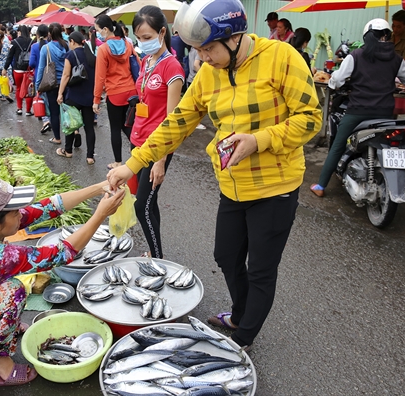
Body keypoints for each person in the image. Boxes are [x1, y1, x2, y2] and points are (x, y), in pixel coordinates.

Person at [107, 0, 322, 350]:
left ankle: (242, 338)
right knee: (226, 255)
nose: (202, 58)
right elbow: (177, 122)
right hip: (232, 184)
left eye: (208, 49)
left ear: (234, 38)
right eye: (197, 50)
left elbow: (311, 118)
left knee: (261, 269)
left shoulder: (282, 57)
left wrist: (259, 140)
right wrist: (133, 164)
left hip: (276, 186)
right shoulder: (210, 72)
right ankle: (240, 312)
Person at [0, 177, 125, 387]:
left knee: (9, 283)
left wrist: (98, 186)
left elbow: (48, 207)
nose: (21, 214)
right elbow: (61, 253)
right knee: (14, 290)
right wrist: (100, 214)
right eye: (14, 212)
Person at [310, 18, 405, 197]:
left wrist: (337, 81)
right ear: (387, 36)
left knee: (337, 145)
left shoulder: (356, 56)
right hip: (385, 113)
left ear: (366, 37)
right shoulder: (395, 58)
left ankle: (321, 186)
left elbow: (336, 81)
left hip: (357, 112)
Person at [129, 6, 184, 258]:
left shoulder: (172, 68)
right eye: (139, 38)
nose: (143, 43)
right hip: (138, 142)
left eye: (148, 37)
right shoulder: (145, 60)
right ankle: (155, 251)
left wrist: (161, 160)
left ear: (162, 32)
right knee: (150, 203)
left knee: (142, 206)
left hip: (157, 147)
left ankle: (158, 258)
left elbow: (173, 120)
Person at [93, 15, 140, 170]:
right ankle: (139, 149)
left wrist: (96, 99)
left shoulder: (103, 49)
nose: (97, 33)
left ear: (105, 29)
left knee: (115, 127)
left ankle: (118, 162)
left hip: (114, 93)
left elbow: (99, 77)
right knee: (128, 124)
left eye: (98, 30)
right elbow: (138, 64)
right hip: (131, 91)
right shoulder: (127, 43)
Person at [57, 31, 96, 163]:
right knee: (89, 127)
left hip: (73, 96)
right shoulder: (91, 55)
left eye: (69, 42)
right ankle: (90, 156)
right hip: (89, 97)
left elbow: (66, 75)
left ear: (73, 41)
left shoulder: (70, 54)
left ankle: (68, 151)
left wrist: (60, 93)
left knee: (70, 123)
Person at [35, 23, 68, 145]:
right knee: (68, 110)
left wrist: (38, 85)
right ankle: (73, 133)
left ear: (49, 34)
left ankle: (57, 138)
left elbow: (41, 68)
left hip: (52, 84)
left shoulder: (46, 48)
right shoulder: (67, 45)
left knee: (54, 113)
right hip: (66, 82)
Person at [2, 25, 33, 116]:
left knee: (19, 88)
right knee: (28, 90)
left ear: (19, 32)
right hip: (28, 70)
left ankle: (19, 109)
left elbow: (9, 57)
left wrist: (5, 68)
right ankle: (28, 111)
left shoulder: (14, 42)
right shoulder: (32, 41)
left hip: (18, 70)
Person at [28, 24, 51, 134]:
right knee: (51, 99)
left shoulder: (34, 47)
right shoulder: (51, 45)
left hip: (39, 76)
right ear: (48, 34)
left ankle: (46, 120)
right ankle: (52, 119)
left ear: (37, 34)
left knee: (42, 99)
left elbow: (31, 63)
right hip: (51, 76)